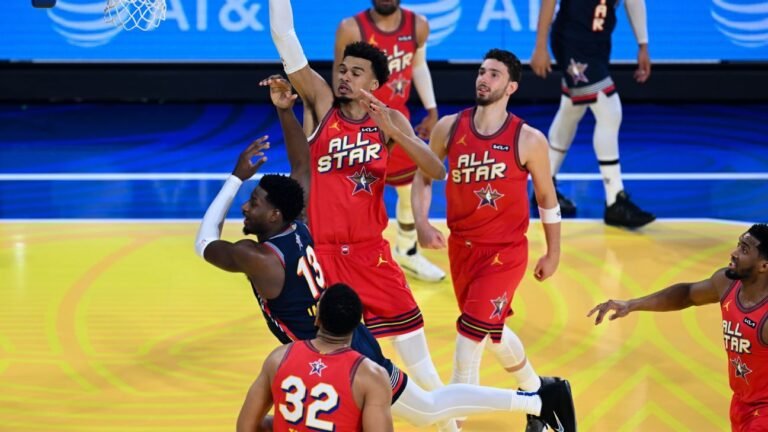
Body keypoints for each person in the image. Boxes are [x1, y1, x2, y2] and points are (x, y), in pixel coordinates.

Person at [194, 90, 578, 432]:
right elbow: (302, 168)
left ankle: (539, 401)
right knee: (424, 406)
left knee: (426, 409)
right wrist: (284, 112)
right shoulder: (300, 223)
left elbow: (204, 242)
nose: (246, 208)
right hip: (339, 340)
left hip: (338, 352)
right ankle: (538, 400)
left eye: (254, 203)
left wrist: (236, 177)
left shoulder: (257, 257)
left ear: (276, 215)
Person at [267, 0, 447, 394]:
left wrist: (396, 133)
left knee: (424, 370)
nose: (345, 77)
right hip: (324, 257)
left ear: (375, 83)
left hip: (372, 255)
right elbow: (284, 36)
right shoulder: (322, 103)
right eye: (343, 70)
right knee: (340, 369)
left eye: (356, 72)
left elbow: (436, 170)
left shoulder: (389, 119)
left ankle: (450, 420)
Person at [412, 48, 566, 432]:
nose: (484, 79)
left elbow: (547, 198)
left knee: (468, 343)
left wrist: (553, 252)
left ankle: (453, 425)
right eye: (482, 71)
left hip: (505, 254)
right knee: (493, 334)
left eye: (494, 74)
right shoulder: (449, 127)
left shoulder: (528, 139)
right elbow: (423, 177)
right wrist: (421, 224)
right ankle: (542, 394)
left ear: (511, 87)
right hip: (461, 249)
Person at [589, 224, 768, 432]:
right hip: (741, 404)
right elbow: (687, 295)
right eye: (738, 245)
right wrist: (631, 304)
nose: (734, 253)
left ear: (763, 266)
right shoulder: (726, 283)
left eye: (744, 250)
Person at [333, 0, 445, 282]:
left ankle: (407, 251)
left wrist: (431, 108)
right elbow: (339, 80)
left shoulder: (418, 26)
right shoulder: (350, 28)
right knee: (352, 196)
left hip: (396, 123)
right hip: (359, 126)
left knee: (410, 188)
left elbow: (418, 66)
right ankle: (345, 258)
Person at [530, 0, 655, 228]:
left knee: (571, 110)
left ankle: (543, 186)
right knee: (609, 109)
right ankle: (615, 199)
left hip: (598, 42)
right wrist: (540, 46)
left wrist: (643, 44)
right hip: (572, 42)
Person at [236, 284, 394, 432]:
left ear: (317, 318)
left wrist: (288, 422)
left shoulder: (279, 358)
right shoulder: (372, 377)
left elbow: (246, 426)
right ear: (356, 324)